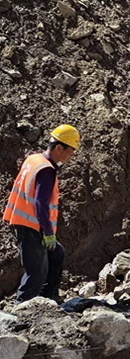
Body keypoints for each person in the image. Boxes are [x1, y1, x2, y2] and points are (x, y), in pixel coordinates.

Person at [4, 125, 80, 303]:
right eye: (70, 151)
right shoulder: (46, 170)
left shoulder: (34, 159)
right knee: (37, 272)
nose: (71, 156)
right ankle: (22, 307)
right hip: (31, 225)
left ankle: (48, 298)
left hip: (25, 221)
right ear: (59, 147)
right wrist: (47, 232)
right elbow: (41, 203)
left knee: (57, 254)